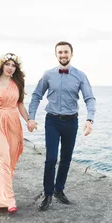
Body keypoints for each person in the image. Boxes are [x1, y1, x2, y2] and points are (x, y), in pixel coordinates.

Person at [28, 41, 96, 211]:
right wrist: (31, 117)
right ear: (56, 55)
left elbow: (89, 98)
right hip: (52, 120)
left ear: (71, 54)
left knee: (66, 158)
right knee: (51, 158)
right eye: (60, 52)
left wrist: (90, 120)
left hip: (71, 122)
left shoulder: (80, 75)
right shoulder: (48, 75)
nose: (63, 55)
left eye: (66, 52)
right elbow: (36, 95)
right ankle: (48, 193)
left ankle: (59, 190)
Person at [0, 53, 30, 214]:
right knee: (3, 158)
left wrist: (29, 121)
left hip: (13, 123)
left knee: (10, 162)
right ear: (2, 65)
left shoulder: (18, 83)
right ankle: (10, 199)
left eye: (13, 65)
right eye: (8, 64)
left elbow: (21, 106)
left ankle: (1, 195)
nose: (10, 68)